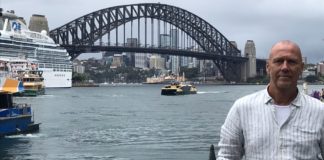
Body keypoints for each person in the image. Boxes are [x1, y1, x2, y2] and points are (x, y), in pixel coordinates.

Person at [217, 40, 324, 159]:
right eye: (278, 61)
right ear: (268, 67)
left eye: (292, 62)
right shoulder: (241, 108)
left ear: (301, 68)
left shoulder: (320, 111)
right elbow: (227, 156)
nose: (285, 67)